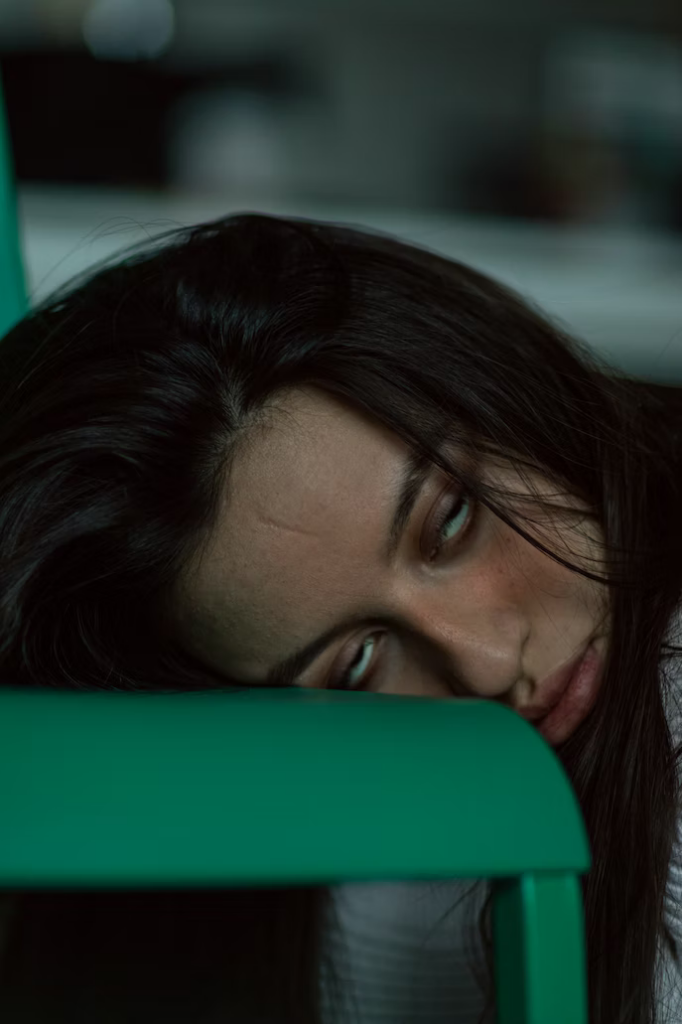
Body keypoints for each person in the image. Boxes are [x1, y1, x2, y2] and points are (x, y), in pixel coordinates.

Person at [0, 211, 681, 1024]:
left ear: (499, 380)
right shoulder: (254, 892)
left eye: (452, 522)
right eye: (356, 664)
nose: (489, 664)